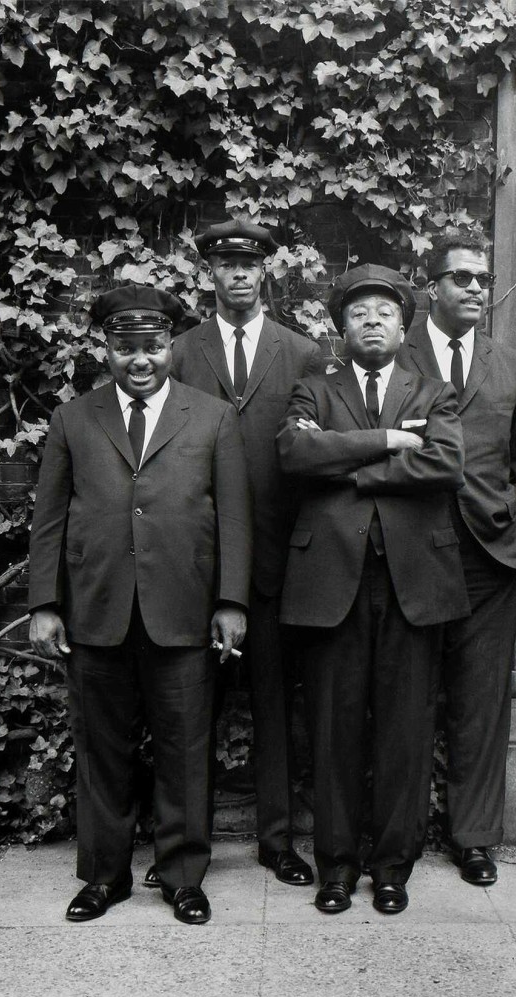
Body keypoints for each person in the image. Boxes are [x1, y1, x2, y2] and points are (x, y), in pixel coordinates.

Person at [28, 284, 252, 924]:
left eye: (153, 346)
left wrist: (231, 600)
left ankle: (184, 876)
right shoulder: (75, 418)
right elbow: (48, 520)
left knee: (185, 750)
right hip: (96, 613)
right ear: (108, 349)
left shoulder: (211, 417)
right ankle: (104, 877)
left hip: (182, 612)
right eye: (127, 348)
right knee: (102, 752)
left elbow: (234, 517)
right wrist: (46, 602)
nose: (141, 360)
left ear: (170, 347)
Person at [277, 264, 470, 915]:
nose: (371, 321)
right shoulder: (312, 387)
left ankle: (392, 866)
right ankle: (336, 866)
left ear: (403, 324)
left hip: (414, 583)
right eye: (358, 312)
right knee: (332, 730)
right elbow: (296, 457)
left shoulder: (434, 392)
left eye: (384, 312)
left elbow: (445, 463)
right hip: (331, 583)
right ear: (342, 327)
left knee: (404, 731)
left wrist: (350, 468)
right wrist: (387, 441)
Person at [171, 219, 322, 888]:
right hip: (196, 565)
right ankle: (185, 845)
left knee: (273, 705)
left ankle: (279, 840)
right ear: (209, 273)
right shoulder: (177, 353)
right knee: (189, 710)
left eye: (248, 264)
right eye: (224, 264)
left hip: (274, 563)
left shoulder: (303, 352)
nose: (236, 274)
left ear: (264, 272)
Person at [398, 231, 516, 885]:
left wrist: (515, 526)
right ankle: (398, 838)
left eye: (484, 278)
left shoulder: (513, 365)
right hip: (412, 549)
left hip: (490, 557)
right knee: (408, 696)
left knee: (481, 701)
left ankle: (474, 838)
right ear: (433, 288)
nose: (477, 288)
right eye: (462, 277)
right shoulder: (396, 358)